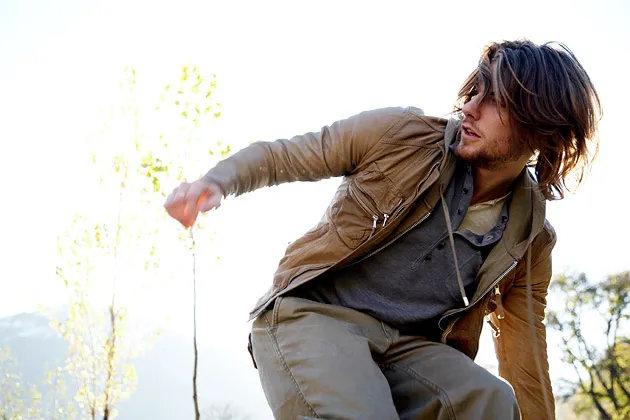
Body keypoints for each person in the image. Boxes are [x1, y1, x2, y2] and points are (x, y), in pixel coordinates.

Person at [164, 39, 600, 420]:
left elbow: (525, 356)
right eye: (474, 92)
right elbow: (286, 156)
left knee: (490, 401)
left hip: (408, 352)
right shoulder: (401, 136)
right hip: (314, 315)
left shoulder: (530, 237)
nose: (470, 107)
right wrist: (216, 182)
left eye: (496, 101)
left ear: (544, 130)